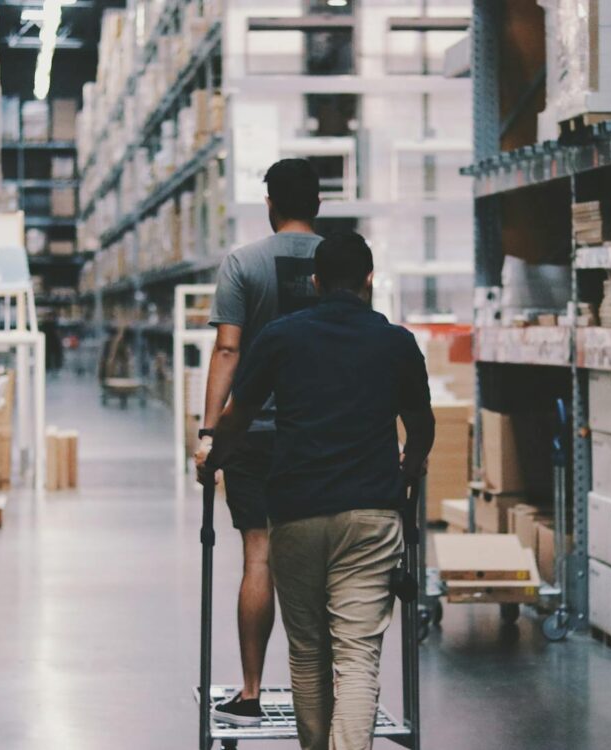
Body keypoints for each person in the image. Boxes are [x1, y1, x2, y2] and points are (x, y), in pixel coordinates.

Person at [199, 232, 436, 750]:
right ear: (369, 280)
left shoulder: (282, 337)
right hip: (372, 516)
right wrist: (409, 466)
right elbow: (421, 428)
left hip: (296, 511)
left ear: (315, 282)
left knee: (308, 653)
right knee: (357, 658)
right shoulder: (396, 342)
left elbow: (237, 418)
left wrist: (214, 457)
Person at [195, 158, 325, 725]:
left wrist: (208, 433)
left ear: (269, 203)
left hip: (253, 433)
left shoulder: (243, 263)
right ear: (318, 204)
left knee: (259, 554)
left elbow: (228, 350)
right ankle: (321, 691)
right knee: (321, 558)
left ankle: (250, 694)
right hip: (320, 432)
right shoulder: (341, 261)